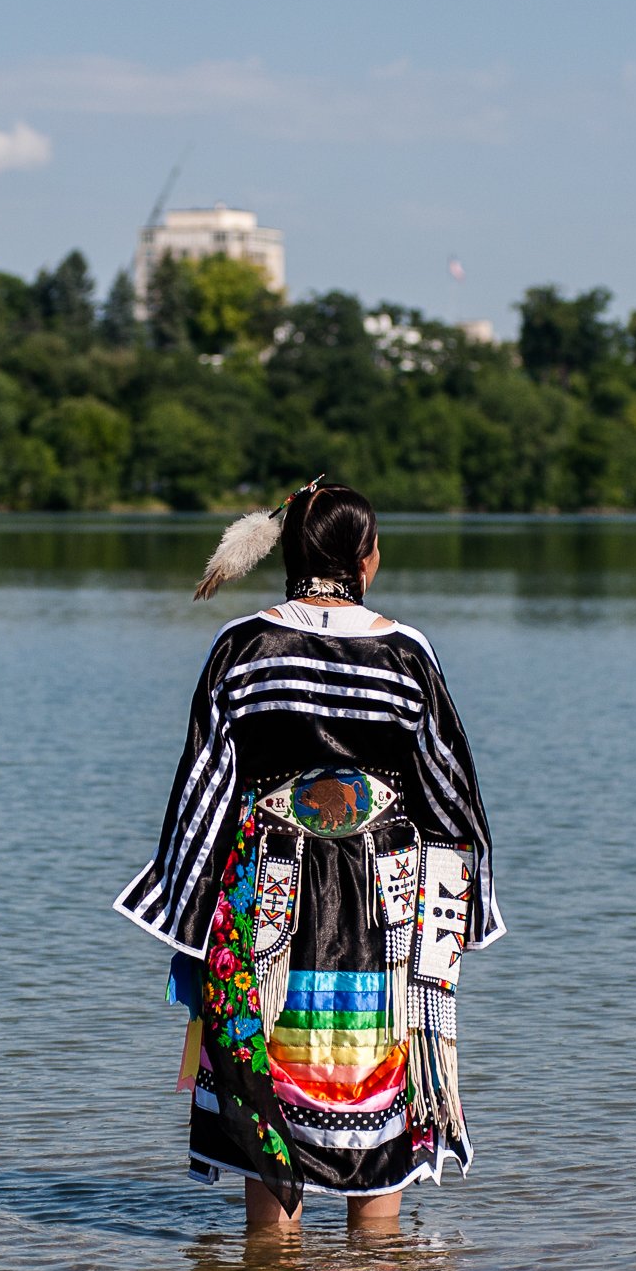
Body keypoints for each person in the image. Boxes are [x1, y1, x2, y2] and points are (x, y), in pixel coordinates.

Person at [116, 480, 503, 1230]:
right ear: (365, 558)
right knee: (381, 1135)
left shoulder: (243, 646)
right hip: (383, 907)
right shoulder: (405, 652)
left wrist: (188, 914)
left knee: (268, 1122)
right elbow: (448, 792)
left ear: (289, 554)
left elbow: (203, 790)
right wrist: (464, 914)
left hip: (267, 903)